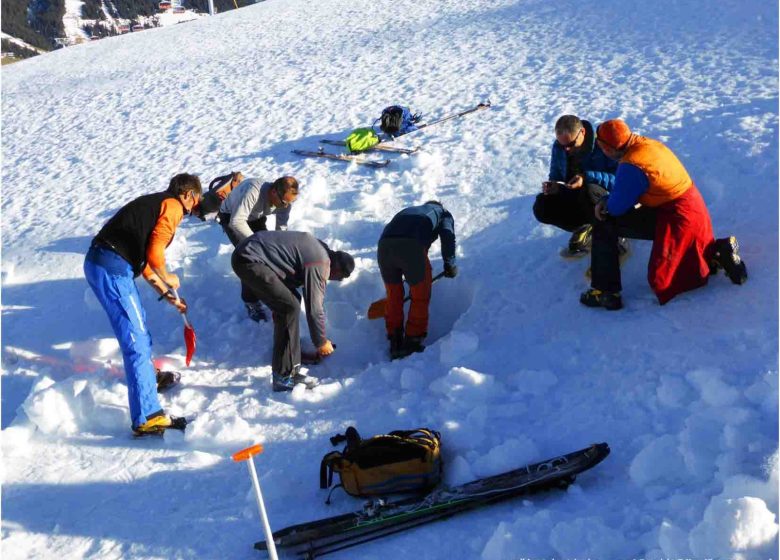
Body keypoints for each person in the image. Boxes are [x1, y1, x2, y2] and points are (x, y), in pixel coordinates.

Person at [582, 119, 747, 310]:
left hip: (677, 217)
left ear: (607, 149)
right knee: (687, 250)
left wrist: (604, 202)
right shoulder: (648, 144)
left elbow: (617, 207)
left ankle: (605, 292)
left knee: (604, 222)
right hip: (692, 209)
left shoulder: (631, 165)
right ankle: (717, 252)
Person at [83, 173, 202, 435]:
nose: (194, 207)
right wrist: (169, 276)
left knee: (139, 330)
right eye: (196, 199)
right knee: (135, 339)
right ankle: (148, 416)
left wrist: (167, 293)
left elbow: (146, 264)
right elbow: (155, 255)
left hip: (107, 264)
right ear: (187, 194)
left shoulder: (155, 204)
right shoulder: (172, 206)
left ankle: (148, 379)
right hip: (112, 267)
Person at [231, 231, 354, 391]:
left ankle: (291, 364)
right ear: (337, 270)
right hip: (250, 259)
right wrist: (321, 342)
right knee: (288, 308)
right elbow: (314, 309)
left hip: (249, 251)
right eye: (336, 278)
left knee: (291, 300)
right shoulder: (321, 263)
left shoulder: (320, 249)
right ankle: (283, 376)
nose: (330, 280)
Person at [377, 201, 457, 359]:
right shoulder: (443, 213)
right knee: (420, 296)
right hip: (411, 247)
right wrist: (450, 263)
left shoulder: (410, 210)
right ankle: (412, 341)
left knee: (394, 295)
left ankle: (395, 339)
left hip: (384, 247)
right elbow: (448, 235)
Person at [533, 115, 618, 256]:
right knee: (542, 205)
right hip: (575, 193)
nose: (566, 149)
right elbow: (556, 175)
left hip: (603, 197)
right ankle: (584, 227)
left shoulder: (603, 144)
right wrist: (554, 186)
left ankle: (611, 233)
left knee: (588, 190)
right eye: (562, 145)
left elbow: (618, 179)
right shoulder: (559, 147)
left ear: (582, 133)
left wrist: (586, 177)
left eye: (570, 144)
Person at [218, 176, 299, 322]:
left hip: (255, 217)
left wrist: (279, 248)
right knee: (250, 260)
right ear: (274, 192)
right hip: (232, 217)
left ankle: (269, 287)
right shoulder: (253, 192)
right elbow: (236, 221)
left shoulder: (284, 201)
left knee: (269, 255)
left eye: (290, 203)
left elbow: (281, 226)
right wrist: (259, 246)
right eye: (284, 202)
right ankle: (250, 302)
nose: (286, 206)